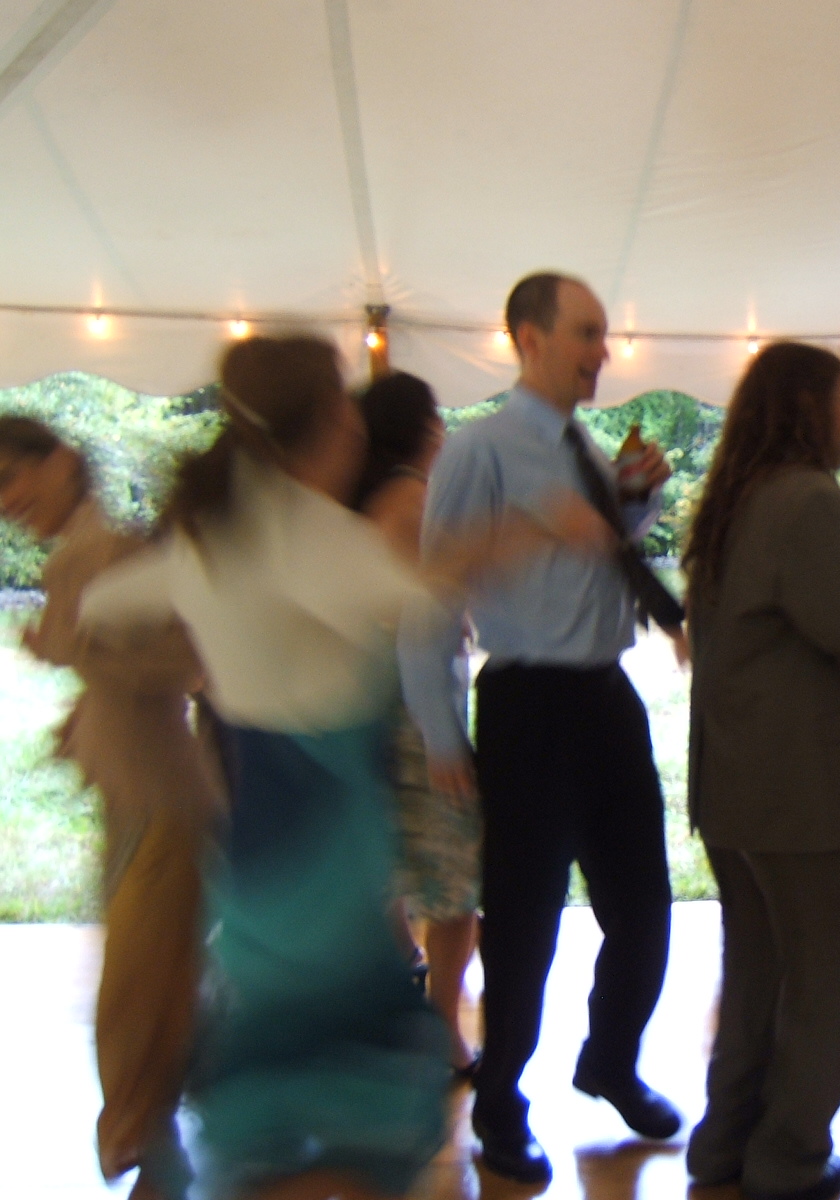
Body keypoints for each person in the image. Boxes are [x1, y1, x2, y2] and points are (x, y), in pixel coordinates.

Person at [79, 336, 601, 1200]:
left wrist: (199, 649)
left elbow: (107, 601)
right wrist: (535, 528)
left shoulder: (219, 529)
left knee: (288, 1066)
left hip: (255, 836)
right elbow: (421, 593)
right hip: (322, 839)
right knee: (345, 1086)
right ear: (330, 423)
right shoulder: (303, 536)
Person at [399, 272, 684, 1187]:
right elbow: (432, 590)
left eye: (603, 334)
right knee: (525, 924)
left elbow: (594, 557)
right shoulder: (480, 450)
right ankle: (499, 1106)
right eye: (587, 333)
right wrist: (441, 730)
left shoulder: (586, 450)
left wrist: (630, 502)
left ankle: (610, 1062)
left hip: (608, 696)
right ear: (529, 338)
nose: (604, 351)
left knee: (644, 909)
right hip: (528, 704)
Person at [682, 342, 840, 1200]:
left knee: (756, 977)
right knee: (825, 986)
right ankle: (788, 1158)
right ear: (807, 409)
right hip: (805, 795)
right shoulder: (809, 498)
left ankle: (724, 1146)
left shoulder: (733, 500)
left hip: (735, 786)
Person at [0, 417, 218, 1200]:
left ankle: (150, 1145)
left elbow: (190, 662)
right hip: (138, 802)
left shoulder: (114, 552)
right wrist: (84, 706)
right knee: (149, 992)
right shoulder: (80, 556)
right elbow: (125, 673)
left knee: (140, 995)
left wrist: (75, 652)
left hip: (169, 802)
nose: (6, 503)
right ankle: (155, 1150)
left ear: (62, 462)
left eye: (9, 480)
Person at [353, 372, 481, 1079]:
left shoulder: (361, 505)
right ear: (426, 428)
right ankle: (442, 1033)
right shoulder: (413, 502)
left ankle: (398, 1008)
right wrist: (440, 736)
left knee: (386, 872)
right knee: (455, 883)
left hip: (368, 707)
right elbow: (423, 618)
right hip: (417, 711)